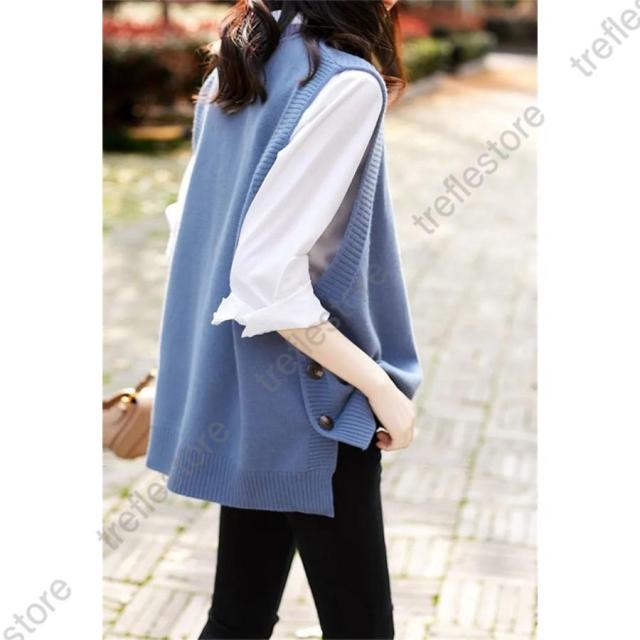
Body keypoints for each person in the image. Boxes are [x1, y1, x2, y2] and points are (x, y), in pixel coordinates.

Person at [146, 1, 422, 638]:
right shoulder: (345, 83)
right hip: (316, 401)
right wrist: (381, 388)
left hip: (254, 396)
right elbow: (264, 276)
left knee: (238, 619)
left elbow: (192, 235)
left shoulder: (240, 65)